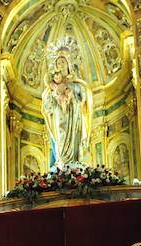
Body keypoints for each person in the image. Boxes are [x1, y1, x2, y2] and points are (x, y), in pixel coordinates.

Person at [40, 38, 92, 169]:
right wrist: (55, 93)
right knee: (60, 137)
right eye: (58, 62)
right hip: (59, 116)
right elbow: (47, 106)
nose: (60, 64)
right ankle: (61, 161)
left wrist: (71, 92)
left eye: (63, 62)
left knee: (74, 138)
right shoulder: (52, 88)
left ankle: (75, 160)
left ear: (68, 65)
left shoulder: (76, 84)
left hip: (74, 115)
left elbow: (84, 97)